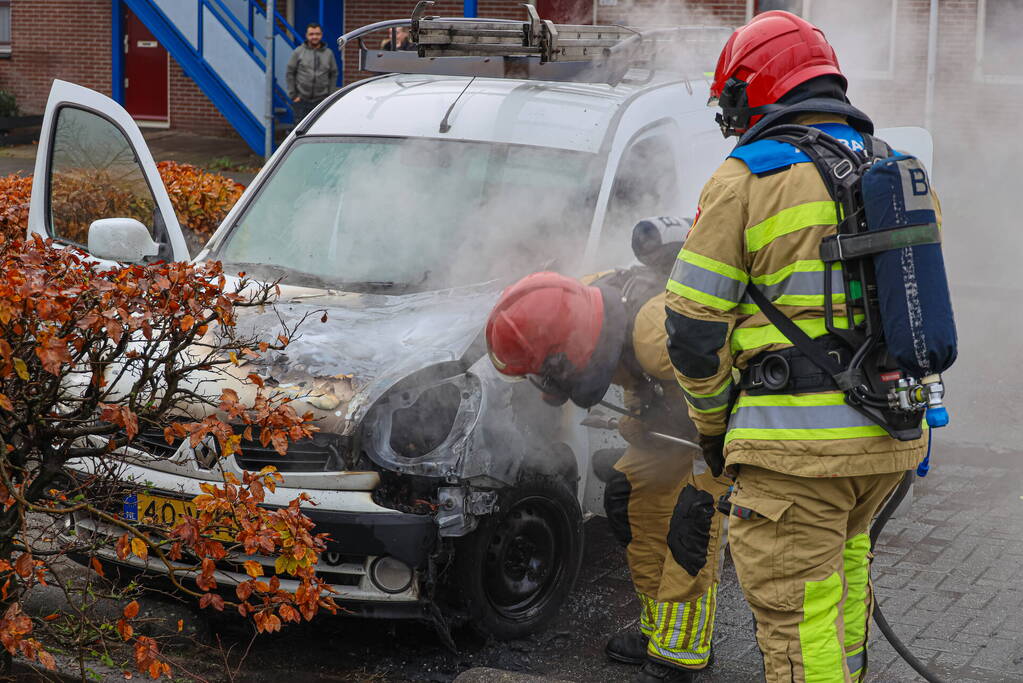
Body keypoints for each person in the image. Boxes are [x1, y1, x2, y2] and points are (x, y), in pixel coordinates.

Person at [664, 11, 944, 683]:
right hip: (890, 441)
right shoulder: (898, 168)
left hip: (794, 457)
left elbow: (693, 330)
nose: (729, 120)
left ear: (752, 90)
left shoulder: (745, 179)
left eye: (730, 101)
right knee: (839, 586)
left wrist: (712, 430)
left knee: (797, 622)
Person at [485, 218, 730, 683]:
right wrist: (643, 417)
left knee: (690, 523)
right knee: (628, 500)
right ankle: (657, 630)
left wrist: (713, 441)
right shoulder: (585, 299)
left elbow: (715, 379)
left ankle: (683, 651)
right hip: (677, 419)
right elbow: (639, 375)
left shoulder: (658, 337)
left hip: (714, 430)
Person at [286, 23, 339, 122]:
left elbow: (334, 74)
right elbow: (290, 73)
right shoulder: (298, 52)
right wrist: (293, 95)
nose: (314, 37)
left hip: (321, 101)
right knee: (300, 131)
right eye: (311, 34)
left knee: (320, 128)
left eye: (317, 34)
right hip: (301, 101)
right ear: (306, 35)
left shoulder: (329, 53)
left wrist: (330, 95)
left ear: (321, 35)